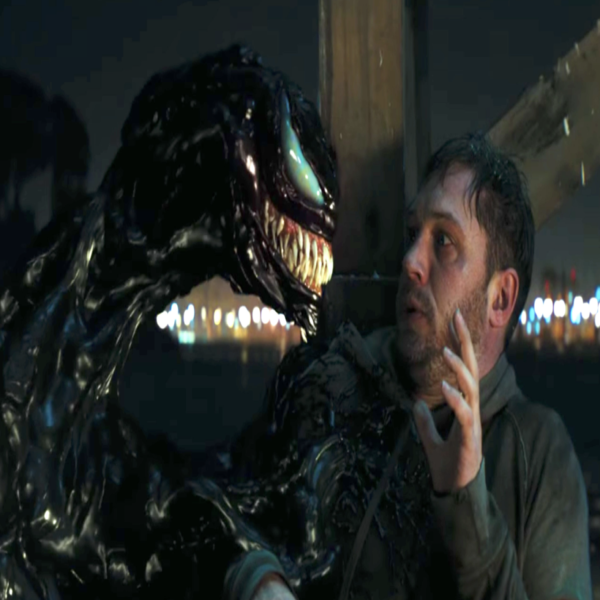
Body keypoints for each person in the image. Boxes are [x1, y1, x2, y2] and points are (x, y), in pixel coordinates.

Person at [222, 133, 592, 600]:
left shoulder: (538, 456)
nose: (411, 260)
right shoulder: (333, 384)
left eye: (444, 241)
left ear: (500, 298)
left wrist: (466, 500)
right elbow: (225, 517)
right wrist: (258, 578)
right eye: (412, 233)